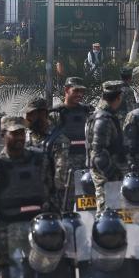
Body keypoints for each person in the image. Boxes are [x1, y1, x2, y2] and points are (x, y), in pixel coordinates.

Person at [0, 116, 54, 273]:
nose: (20, 138)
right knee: (9, 273)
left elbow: (51, 192)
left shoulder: (39, 160)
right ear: (2, 135)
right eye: (14, 133)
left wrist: (55, 223)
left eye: (22, 133)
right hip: (6, 232)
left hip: (38, 228)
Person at [49, 77, 93, 210]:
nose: (80, 95)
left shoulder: (88, 111)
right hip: (65, 171)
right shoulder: (55, 114)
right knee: (65, 208)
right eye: (76, 91)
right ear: (66, 90)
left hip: (86, 167)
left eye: (82, 92)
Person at [86, 81, 127, 211]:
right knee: (106, 214)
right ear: (119, 97)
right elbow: (98, 155)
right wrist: (112, 174)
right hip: (105, 176)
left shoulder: (105, 115)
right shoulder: (102, 119)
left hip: (107, 172)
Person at [23, 98, 70, 211]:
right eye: (27, 114)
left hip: (52, 198)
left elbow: (61, 175)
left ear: (42, 114)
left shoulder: (58, 139)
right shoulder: (27, 135)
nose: (27, 118)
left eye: (31, 114)